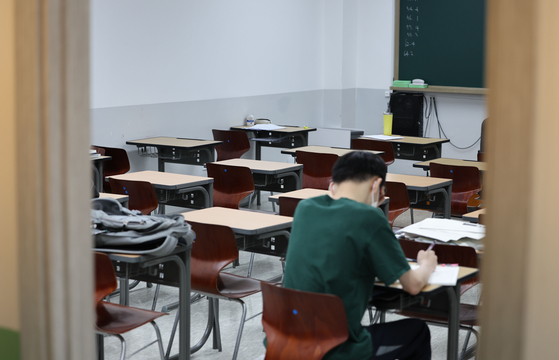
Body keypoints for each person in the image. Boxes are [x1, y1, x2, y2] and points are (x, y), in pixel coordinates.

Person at [282, 151, 437, 360]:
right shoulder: (370, 217)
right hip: (334, 350)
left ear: (333, 183)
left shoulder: (305, 208)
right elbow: (413, 285)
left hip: (286, 343)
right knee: (418, 331)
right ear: (376, 185)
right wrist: (426, 265)